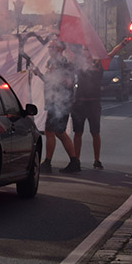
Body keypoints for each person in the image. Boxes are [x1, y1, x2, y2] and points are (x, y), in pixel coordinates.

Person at [72, 37, 130, 170]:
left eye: (87, 49)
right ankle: (76, 160)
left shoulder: (100, 63)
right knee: (78, 132)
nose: (85, 52)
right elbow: (69, 53)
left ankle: (97, 160)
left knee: (95, 132)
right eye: (84, 49)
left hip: (94, 103)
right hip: (79, 102)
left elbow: (113, 53)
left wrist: (123, 43)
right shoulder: (79, 63)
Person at [32, 39, 80, 173]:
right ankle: (74, 161)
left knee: (51, 132)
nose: (49, 50)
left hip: (60, 103)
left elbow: (68, 82)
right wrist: (39, 74)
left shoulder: (64, 64)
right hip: (54, 102)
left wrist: (55, 79)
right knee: (59, 132)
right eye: (49, 47)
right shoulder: (51, 63)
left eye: (52, 47)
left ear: (59, 49)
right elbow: (49, 82)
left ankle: (48, 162)